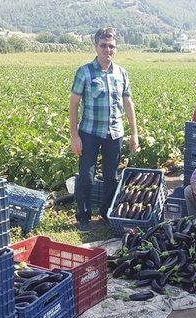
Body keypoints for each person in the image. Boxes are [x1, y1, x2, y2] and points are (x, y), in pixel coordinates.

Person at [69, 27, 140, 232]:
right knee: (86, 176)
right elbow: (73, 104)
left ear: (115, 48)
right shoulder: (85, 71)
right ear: (95, 46)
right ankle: (83, 216)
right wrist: (74, 136)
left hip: (114, 133)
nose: (107, 50)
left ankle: (106, 212)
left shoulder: (121, 73)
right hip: (89, 132)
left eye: (111, 46)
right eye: (103, 45)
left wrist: (134, 133)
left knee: (111, 177)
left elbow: (128, 103)